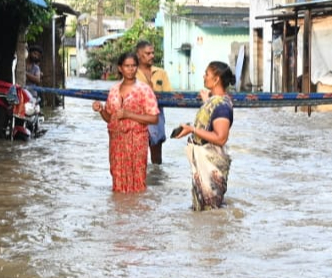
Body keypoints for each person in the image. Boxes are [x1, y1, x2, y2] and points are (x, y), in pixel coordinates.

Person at [172, 61, 236, 211]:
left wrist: (191, 129)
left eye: (207, 74)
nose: (204, 76)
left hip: (210, 162)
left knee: (209, 207)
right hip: (205, 161)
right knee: (206, 208)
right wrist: (207, 100)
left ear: (216, 79)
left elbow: (220, 138)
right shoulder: (217, 102)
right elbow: (212, 116)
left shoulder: (222, 106)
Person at [92, 52, 159, 193]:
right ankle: (120, 211)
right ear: (120, 68)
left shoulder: (144, 90)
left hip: (137, 141)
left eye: (134, 66)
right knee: (117, 178)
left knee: (137, 179)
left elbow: (154, 118)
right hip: (116, 142)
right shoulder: (114, 90)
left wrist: (129, 114)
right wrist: (101, 109)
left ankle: (137, 211)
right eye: (127, 66)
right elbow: (110, 118)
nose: (130, 69)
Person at [134, 40, 170, 164]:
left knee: (157, 155)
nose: (152, 56)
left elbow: (169, 96)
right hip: (138, 118)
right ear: (139, 54)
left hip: (157, 117)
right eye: (148, 53)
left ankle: (156, 180)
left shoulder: (161, 73)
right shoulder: (131, 73)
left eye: (152, 53)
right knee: (139, 155)